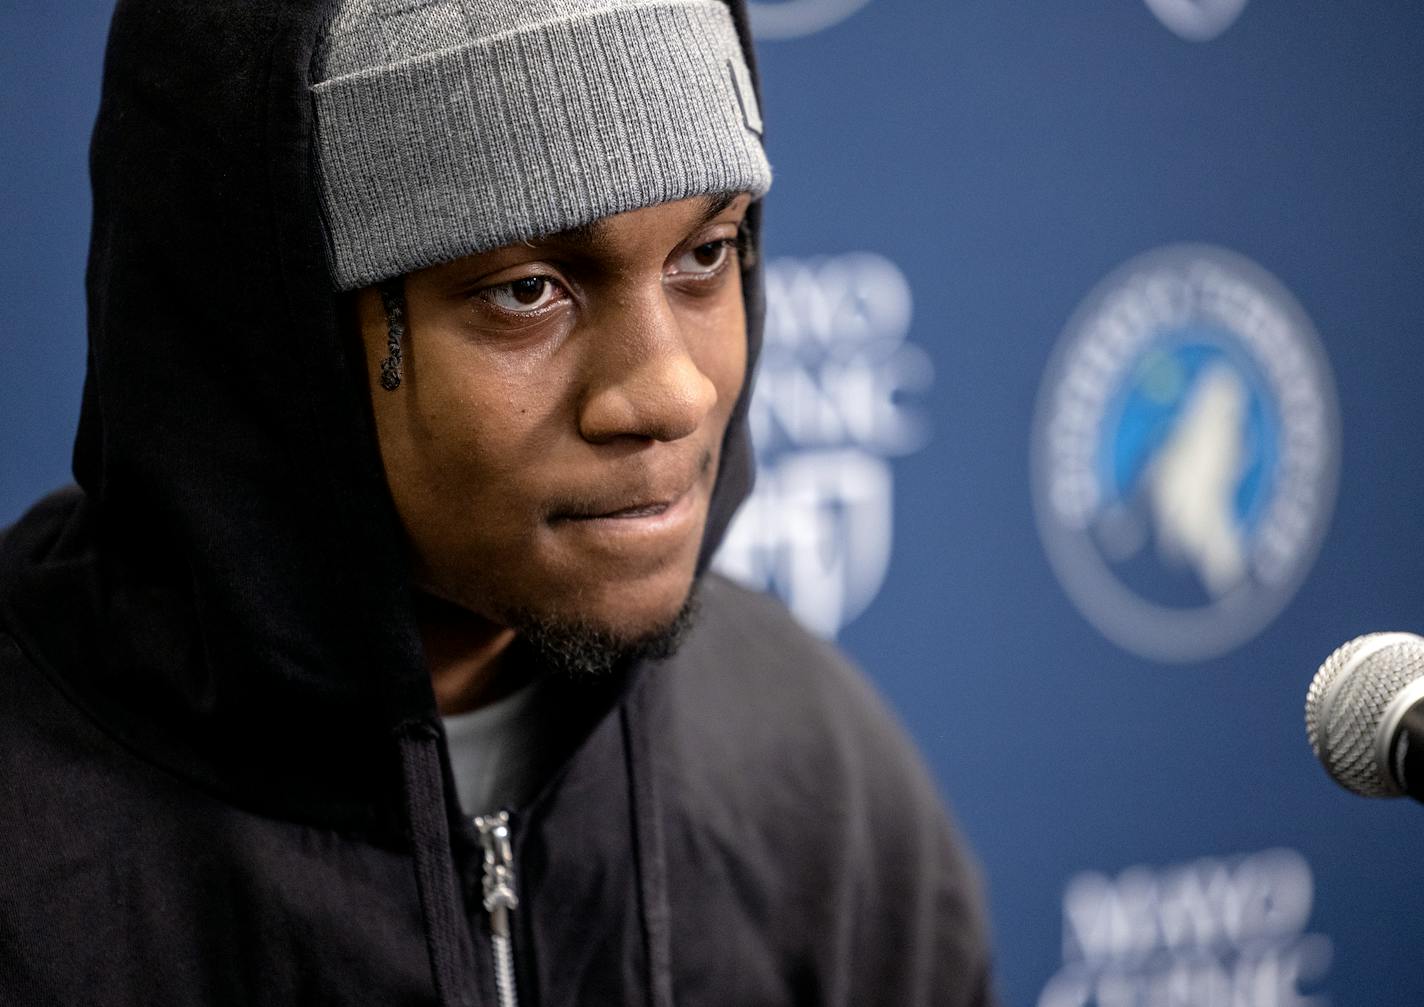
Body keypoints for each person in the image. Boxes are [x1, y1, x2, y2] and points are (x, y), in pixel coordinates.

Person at [0, 1, 994, 1003]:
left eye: (705, 253)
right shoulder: (33, 853)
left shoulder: (813, 768)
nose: (671, 393)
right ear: (269, 340)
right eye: (526, 289)